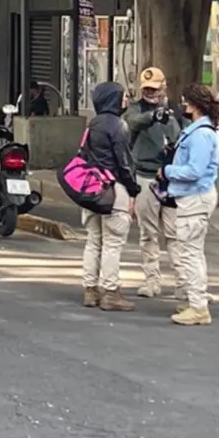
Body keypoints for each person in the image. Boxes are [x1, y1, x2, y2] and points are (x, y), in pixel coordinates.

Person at [160, 83, 219, 326]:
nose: (183, 106)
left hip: (194, 196)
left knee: (190, 253)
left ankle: (198, 306)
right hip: (195, 195)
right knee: (192, 251)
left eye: (186, 102)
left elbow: (194, 170)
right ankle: (194, 300)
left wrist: (167, 171)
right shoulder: (204, 131)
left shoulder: (200, 134)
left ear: (195, 105)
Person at [79, 81, 141, 312]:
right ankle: (111, 292)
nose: (126, 100)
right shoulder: (118, 126)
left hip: (91, 189)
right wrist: (133, 190)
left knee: (94, 240)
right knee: (113, 243)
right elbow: (124, 163)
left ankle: (90, 289)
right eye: (123, 96)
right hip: (114, 190)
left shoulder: (92, 124)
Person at [123, 67, 182, 299]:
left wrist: (168, 116)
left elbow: (180, 137)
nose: (150, 93)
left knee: (175, 233)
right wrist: (152, 116)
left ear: (164, 87)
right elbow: (132, 123)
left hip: (170, 179)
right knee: (148, 233)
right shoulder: (135, 109)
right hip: (145, 176)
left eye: (154, 89)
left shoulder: (175, 109)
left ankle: (182, 282)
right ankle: (152, 281)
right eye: (146, 89)